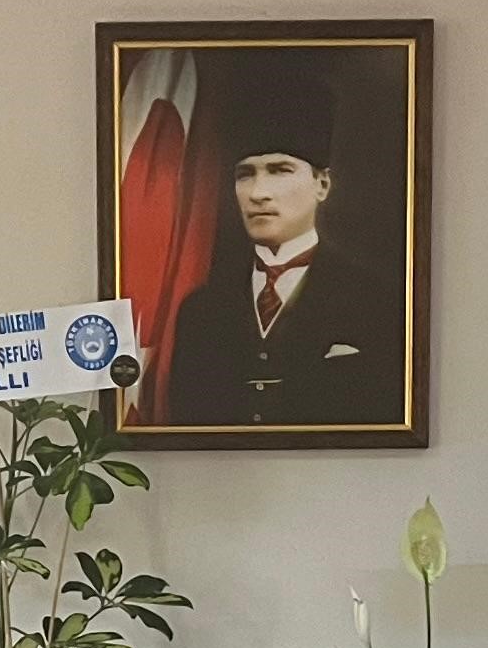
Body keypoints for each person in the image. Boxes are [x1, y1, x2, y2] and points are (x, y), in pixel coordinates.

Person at [152, 58, 405, 433]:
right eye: (245, 175)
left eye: (280, 170)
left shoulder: (376, 300)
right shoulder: (201, 311)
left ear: (321, 184)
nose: (258, 193)